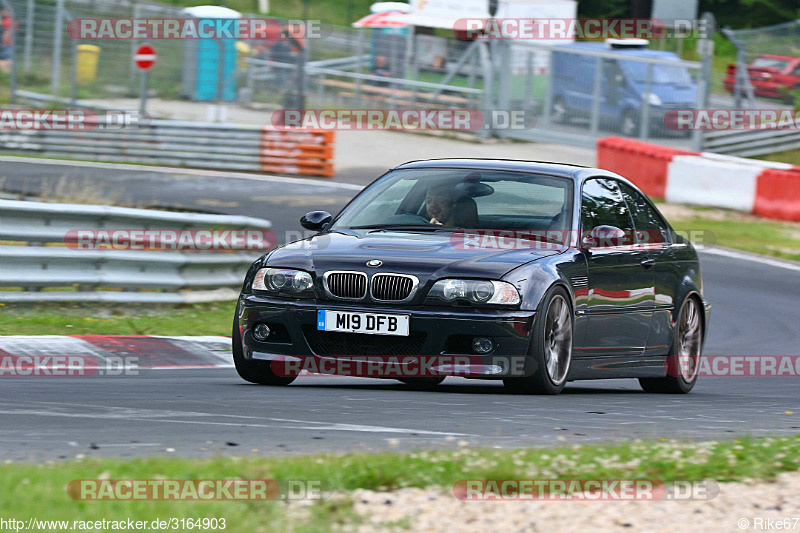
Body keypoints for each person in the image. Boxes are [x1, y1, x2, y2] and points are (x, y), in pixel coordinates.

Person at [0, 8, 15, 74]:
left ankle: (8, 74)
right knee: (5, 58)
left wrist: (3, 42)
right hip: (6, 42)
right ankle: (7, 74)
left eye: (4, 11)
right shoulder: (6, 20)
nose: (3, 12)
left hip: (7, 43)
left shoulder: (9, 20)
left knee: (6, 59)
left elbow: (8, 32)